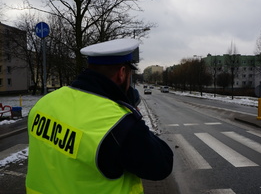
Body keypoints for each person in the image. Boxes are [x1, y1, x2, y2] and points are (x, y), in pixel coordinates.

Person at [26, 38, 173, 194]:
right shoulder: (119, 123)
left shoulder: (44, 104)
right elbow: (162, 164)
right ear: (122, 73)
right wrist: (130, 111)